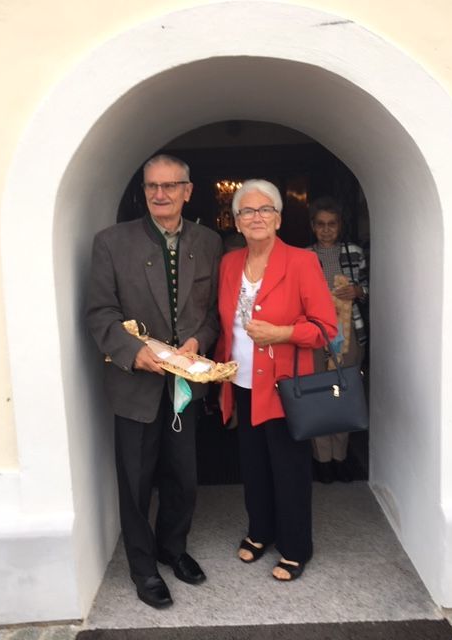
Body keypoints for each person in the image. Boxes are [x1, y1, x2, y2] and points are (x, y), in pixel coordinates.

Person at [86, 154, 222, 608]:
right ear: (143, 190)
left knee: (184, 476)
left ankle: (172, 548)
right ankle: (143, 568)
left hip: (185, 385)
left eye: (169, 186)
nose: (159, 194)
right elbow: (100, 312)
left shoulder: (208, 241)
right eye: (151, 186)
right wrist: (132, 353)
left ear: (188, 190)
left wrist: (199, 340)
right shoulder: (111, 242)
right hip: (135, 384)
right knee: (136, 482)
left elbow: (211, 312)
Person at [215, 179, 337, 581]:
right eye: (247, 211)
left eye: (265, 209)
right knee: (253, 466)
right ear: (236, 221)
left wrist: (281, 333)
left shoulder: (302, 262)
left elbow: (326, 328)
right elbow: (226, 325)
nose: (257, 217)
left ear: (279, 218)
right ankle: (260, 531)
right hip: (242, 383)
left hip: (286, 386)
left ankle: (296, 547)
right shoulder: (229, 263)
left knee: (289, 470)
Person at [308, 196, 369, 484]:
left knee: (343, 394)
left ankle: (341, 457)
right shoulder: (304, 256)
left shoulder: (354, 252)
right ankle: (322, 459)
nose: (326, 230)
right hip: (314, 335)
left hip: (349, 333)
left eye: (331, 224)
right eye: (320, 224)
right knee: (319, 395)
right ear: (313, 226)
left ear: (340, 225)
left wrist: (357, 291)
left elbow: (371, 286)